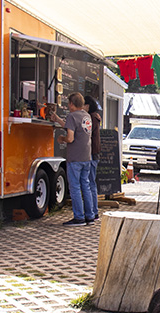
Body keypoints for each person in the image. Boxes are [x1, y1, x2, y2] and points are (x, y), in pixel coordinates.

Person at [51, 93, 95, 226]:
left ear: (71, 104)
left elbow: (70, 137)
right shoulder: (86, 116)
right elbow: (74, 128)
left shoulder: (72, 116)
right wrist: (58, 119)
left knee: (75, 187)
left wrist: (61, 139)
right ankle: (90, 216)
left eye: (69, 103)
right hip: (86, 157)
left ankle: (79, 217)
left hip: (75, 157)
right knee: (85, 186)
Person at [84, 95, 101, 220]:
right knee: (91, 183)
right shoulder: (96, 116)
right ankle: (93, 211)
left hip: (92, 153)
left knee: (89, 183)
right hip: (95, 153)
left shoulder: (91, 118)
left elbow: (87, 134)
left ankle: (93, 211)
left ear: (88, 106)